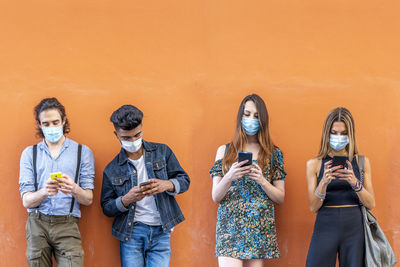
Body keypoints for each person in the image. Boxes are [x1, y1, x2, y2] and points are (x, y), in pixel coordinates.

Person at [100, 105, 190, 267]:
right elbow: (106, 207)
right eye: (127, 138)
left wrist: (167, 184)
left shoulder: (162, 151)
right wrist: (126, 199)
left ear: (142, 129)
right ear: (117, 135)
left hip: (161, 229)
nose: (134, 141)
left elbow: (184, 181)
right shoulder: (112, 169)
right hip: (131, 232)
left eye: (137, 135)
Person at [209, 94, 286, 267]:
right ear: (240, 117)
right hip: (230, 228)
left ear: (263, 120)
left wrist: (262, 180)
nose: (251, 119)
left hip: (259, 227)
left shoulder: (274, 154)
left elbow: (280, 197)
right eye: (247, 114)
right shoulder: (225, 151)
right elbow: (215, 196)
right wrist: (230, 176)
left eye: (257, 116)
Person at [19, 97, 95, 266]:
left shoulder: (82, 152)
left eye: (55, 122)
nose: (51, 127)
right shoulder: (29, 154)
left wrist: (74, 188)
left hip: (68, 223)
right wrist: (45, 191)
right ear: (39, 124)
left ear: (64, 121)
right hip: (37, 222)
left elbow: (88, 199)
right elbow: (26, 201)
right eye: (46, 124)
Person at [305, 107, 375, 267]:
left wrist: (355, 183)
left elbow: (371, 204)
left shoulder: (362, 162)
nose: (338, 137)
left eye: (343, 133)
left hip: (354, 228)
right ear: (326, 133)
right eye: (334, 132)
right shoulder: (314, 164)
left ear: (350, 135)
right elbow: (313, 207)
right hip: (325, 225)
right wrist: (323, 183)